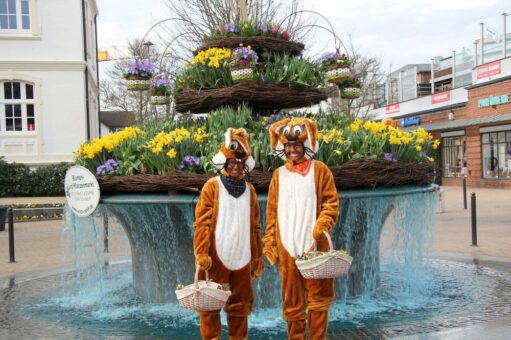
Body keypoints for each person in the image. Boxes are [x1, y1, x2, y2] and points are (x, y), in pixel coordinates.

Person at [263, 117, 339, 339]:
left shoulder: (321, 170)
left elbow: (331, 203)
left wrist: (322, 224)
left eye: (296, 145)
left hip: (315, 247)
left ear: (305, 145)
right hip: (287, 247)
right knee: (292, 303)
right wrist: (270, 243)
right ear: (283, 147)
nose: (292, 150)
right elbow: (272, 212)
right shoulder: (278, 175)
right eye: (288, 146)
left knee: (318, 300)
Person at [193, 128, 264, 340]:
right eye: (232, 163)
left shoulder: (250, 190)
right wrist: (201, 253)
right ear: (224, 162)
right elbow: (202, 223)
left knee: (241, 306)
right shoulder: (212, 186)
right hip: (217, 257)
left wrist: (257, 256)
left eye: (240, 164)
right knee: (210, 305)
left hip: (242, 258)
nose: (235, 167)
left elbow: (255, 226)